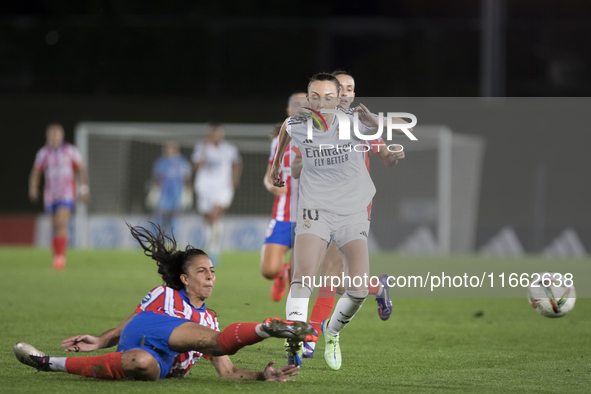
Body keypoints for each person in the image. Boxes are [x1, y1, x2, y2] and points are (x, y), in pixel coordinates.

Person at [14, 224, 316, 381]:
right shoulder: (165, 295)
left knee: (145, 364)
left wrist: (262, 376)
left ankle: (47, 365)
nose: (210, 277)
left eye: (212, 272)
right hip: (145, 332)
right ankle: (267, 328)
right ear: (184, 279)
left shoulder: (210, 322)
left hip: (157, 360)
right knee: (211, 341)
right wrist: (102, 340)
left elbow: (228, 372)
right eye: (202, 272)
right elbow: (134, 321)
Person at [271, 73, 411, 370]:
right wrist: (277, 167)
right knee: (307, 277)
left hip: (354, 211)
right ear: (308, 98)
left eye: (332, 96)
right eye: (316, 96)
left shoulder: (356, 123)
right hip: (315, 210)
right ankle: (297, 341)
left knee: (350, 286)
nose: (323, 102)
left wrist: (379, 128)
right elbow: (287, 134)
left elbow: (400, 134)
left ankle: (330, 331)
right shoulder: (300, 125)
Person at [261, 92, 306, 302]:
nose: (301, 108)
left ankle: (295, 321)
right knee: (268, 270)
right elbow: (268, 177)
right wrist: (272, 187)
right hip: (283, 215)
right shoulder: (279, 141)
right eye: (296, 105)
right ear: (289, 111)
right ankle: (281, 273)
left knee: (300, 280)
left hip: (309, 217)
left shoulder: (323, 138)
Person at [29, 123, 89, 270]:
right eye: (52, 134)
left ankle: (60, 258)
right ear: (48, 136)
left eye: (57, 134)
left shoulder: (70, 151)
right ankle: (57, 255)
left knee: (62, 223)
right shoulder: (43, 153)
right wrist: (33, 188)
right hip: (50, 193)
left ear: (61, 136)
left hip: (66, 192)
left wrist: (84, 188)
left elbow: (81, 169)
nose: (54, 137)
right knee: (54, 225)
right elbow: (36, 172)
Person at [191, 123, 242, 265]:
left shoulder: (229, 149)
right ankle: (209, 247)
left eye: (217, 133)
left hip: (222, 188)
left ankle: (214, 250)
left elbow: (237, 163)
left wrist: (234, 178)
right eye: (212, 134)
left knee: (215, 215)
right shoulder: (201, 147)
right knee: (207, 219)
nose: (215, 136)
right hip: (204, 188)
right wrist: (205, 151)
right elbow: (196, 166)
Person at [148, 141, 192, 237]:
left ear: (176, 149)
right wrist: (153, 191)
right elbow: (156, 178)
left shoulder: (183, 162)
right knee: (158, 217)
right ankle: (155, 239)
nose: (168, 150)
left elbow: (187, 179)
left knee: (175, 218)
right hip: (163, 195)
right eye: (166, 148)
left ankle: (173, 240)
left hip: (177, 195)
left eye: (170, 148)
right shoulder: (160, 162)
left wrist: (188, 193)